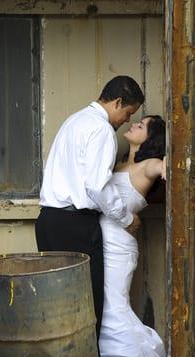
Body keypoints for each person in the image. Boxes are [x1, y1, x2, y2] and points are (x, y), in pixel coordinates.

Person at [35, 76, 144, 340]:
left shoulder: (74, 121)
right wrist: (126, 218)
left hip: (48, 221)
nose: (127, 120)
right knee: (86, 311)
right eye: (128, 113)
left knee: (57, 310)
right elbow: (97, 186)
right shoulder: (101, 129)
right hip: (75, 227)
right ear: (117, 102)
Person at [99, 115, 167, 357]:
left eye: (143, 124)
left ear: (150, 138)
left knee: (114, 308)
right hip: (100, 241)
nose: (135, 124)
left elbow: (169, 167)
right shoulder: (117, 164)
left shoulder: (148, 166)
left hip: (119, 247)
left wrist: (167, 168)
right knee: (106, 307)